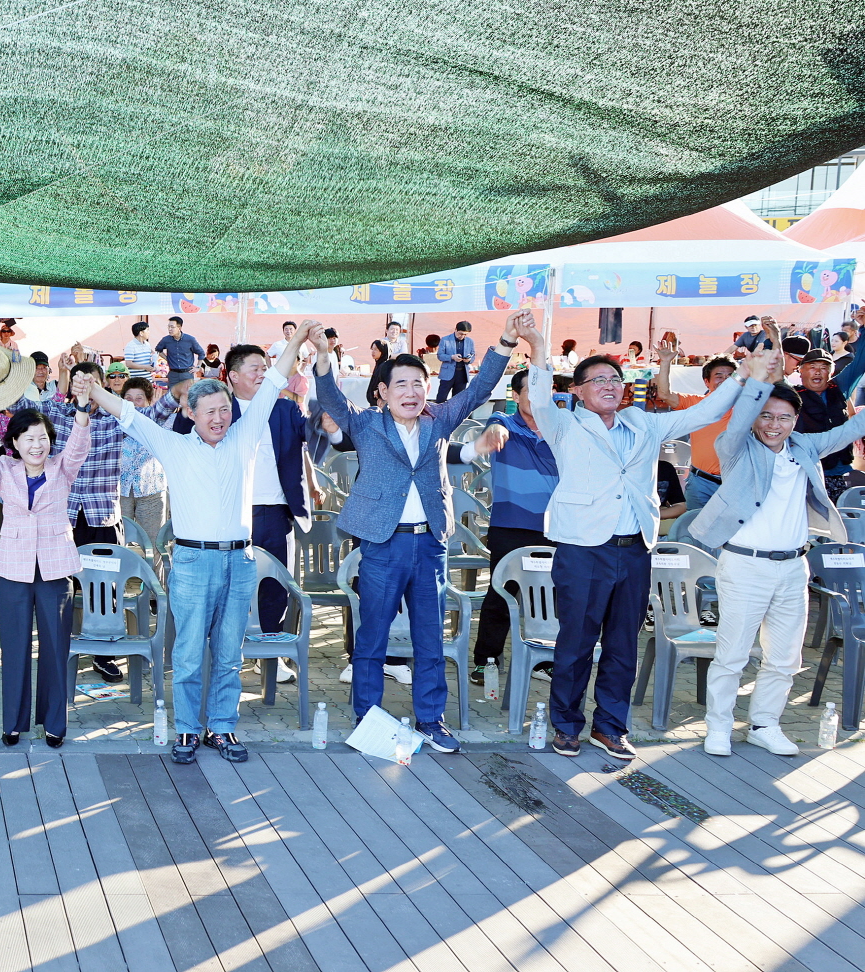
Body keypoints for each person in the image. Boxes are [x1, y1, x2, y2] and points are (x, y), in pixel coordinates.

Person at [83, 322, 316, 764]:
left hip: (239, 561)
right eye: (208, 410)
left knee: (229, 653)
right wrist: (94, 391)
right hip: (191, 562)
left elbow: (274, 382)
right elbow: (127, 415)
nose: (218, 418)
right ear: (190, 413)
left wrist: (300, 336)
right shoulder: (172, 445)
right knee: (188, 654)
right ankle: (188, 730)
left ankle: (222, 729)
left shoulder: (244, 438)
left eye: (224, 409)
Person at [317, 313, 529, 754]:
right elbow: (331, 398)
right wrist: (322, 356)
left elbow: (479, 389)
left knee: (429, 637)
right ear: (383, 393)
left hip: (429, 543)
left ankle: (431, 719)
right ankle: (368, 719)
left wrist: (506, 340)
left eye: (418, 384)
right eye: (401, 385)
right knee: (373, 635)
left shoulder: (438, 421)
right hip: (382, 542)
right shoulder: (366, 424)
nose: (411, 393)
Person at [527, 339, 748, 761]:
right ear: (576, 391)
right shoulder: (563, 425)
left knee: (623, 643)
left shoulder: (644, 424)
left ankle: (610, 727)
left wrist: (742, 373)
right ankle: (567, 725)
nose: (609, 385)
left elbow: (706, 412)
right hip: (583, 548)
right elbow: (538, 393)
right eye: (598, 380)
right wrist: (537, 345)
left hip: (634, 550)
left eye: (615, 378)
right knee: (575, 643)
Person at [691, 369, 865, 756]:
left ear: (795, 420)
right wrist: (759, 380)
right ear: (754, 416)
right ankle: (717, 726)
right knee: (733, 652)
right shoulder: (736, 446)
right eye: (767, 415)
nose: (775, 424)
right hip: (744, 566)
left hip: (793, 568)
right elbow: (737, 424)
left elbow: (851, 429)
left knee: (786, 656)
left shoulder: (804, 447)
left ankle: (764, 724)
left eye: (784, 417)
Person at [0, 371, 95, 747]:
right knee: (14, 645)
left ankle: (55, 722)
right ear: (14, 443)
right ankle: (13, 722)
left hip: (55, 570)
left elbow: (77, 446)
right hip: (14, 569)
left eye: (43, 438)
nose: (37, 445)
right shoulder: (4, 470)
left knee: (56, 648)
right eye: (29, 439)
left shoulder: (63, 468)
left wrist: (82, 412)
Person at [19, 354, 183, 680]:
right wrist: (60, 373)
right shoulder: (56, 417)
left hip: (103, 518)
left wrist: (176, 395)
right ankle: (60, 649)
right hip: (63, 517)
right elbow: (23, 405)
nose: (85, 387)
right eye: (80, 382)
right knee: (61, 587)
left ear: (102, 386)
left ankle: (103, 651)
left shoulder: (114, 421)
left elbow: (150, 415)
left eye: (91, 382)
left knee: (105, 588)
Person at [221, 342, 318, 682]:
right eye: (255, 369)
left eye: (266, 368)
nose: (263, 374)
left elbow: (316, 432)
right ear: (233, 376)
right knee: (231, 585)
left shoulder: (285, 410)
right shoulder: (218, 411)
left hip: (276, 511)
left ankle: (272, 656)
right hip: (231, 513)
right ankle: (228, 652)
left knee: (275, 585)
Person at [469, 369, 557, 685]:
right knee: (502, 593)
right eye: (529, 391)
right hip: (512, 525)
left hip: (556, 527)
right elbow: (493, 426)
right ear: (516, 396)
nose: (536, 398)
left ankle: (543, 659)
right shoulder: (505, 423)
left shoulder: (561, 429)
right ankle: (486, 661)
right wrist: (493, 431)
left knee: (550, 595)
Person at [654, 342, 738, 510]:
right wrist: (665, 362)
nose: (725, 380)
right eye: (719, 376)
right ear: (707, 382)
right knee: (694, 531)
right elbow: (664, 394)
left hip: (735, 483)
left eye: (730, 376)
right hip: (701, 483)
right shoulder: (696, 403)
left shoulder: (747, 407)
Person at [791, 347, 865, 501]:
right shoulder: (791, 396)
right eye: (812, 367)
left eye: (824, 367)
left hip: (841, 473)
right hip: (808, 473)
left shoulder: (839, 388)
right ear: (800, 371)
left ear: (831, 372)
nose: (818, 372)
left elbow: (860, 362)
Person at [117, 378, 168, 546]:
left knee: (154, 545)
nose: (133, 403)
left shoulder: (160, 421)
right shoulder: (115, 421)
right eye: (128, 399)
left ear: (148, 401)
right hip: (120, 491)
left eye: (139, 398)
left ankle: (153, 574)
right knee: (119, 542)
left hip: (151, 490)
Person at [155, 316, 204, 385]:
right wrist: (167, 358)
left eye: (172, 327)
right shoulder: (166, 340)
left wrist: (198, 366)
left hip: (187, 374)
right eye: (168, 327)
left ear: (179, 328)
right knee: (172, 395)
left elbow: (201, 353)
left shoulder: (190, 339)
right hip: (173, 374)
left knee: (187, 394)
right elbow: (158, 350)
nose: (169, 329)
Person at [434, 321, 474, 401]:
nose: (462, 336)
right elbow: (440, 355)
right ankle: (439, 413)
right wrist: (452, 357)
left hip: (462, 374)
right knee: (441, 398)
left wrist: (468, 360)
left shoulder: (470, 341)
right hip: (448, 373)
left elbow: (473, 355)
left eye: (465, 334)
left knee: (458, 400)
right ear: (455, 330)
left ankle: (455, 414)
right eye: (460, 333)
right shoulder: (445, 340)